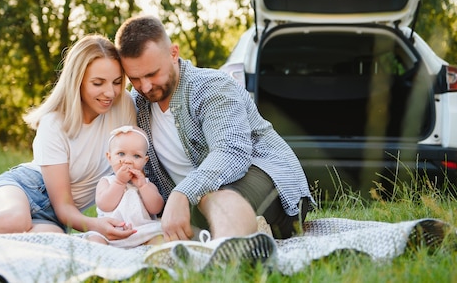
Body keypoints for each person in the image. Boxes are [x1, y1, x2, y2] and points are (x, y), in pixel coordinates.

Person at [115, 15, 315, 253]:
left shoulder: (212, 86)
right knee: (185, 215)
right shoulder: (138, 104)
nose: (145, 86)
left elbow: (232, 152)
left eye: (152, 74)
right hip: (199, 206)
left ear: (173, 53)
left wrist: (182, 193)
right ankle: (245, 234)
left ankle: (223, 259)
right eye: (135, 78)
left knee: (207, 196)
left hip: (273, 184)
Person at [0, 35, 137, 242]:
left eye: (117, 82)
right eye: (98, 83)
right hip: (25, 188)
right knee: (15, 220)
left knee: (52, 242)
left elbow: (134, 164)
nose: (110, 92)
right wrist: (94, 225)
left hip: (54, 219)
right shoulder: (55, 122)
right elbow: (64, 205)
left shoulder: (124, 106)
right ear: (77, 81)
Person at [86, 125, 165, 248]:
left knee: (161, 238)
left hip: (142, 232)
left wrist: (143, 186)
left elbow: (156, 208)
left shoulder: (146, 183)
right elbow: (104, 205)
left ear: (145, 161)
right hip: (110, 232)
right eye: (121, 154)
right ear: (109, 157)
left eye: (136, 156)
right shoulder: (107, 181)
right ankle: (102, 259)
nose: (128, 160)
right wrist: (119, 182)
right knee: (95, 239)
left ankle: (154, 259)